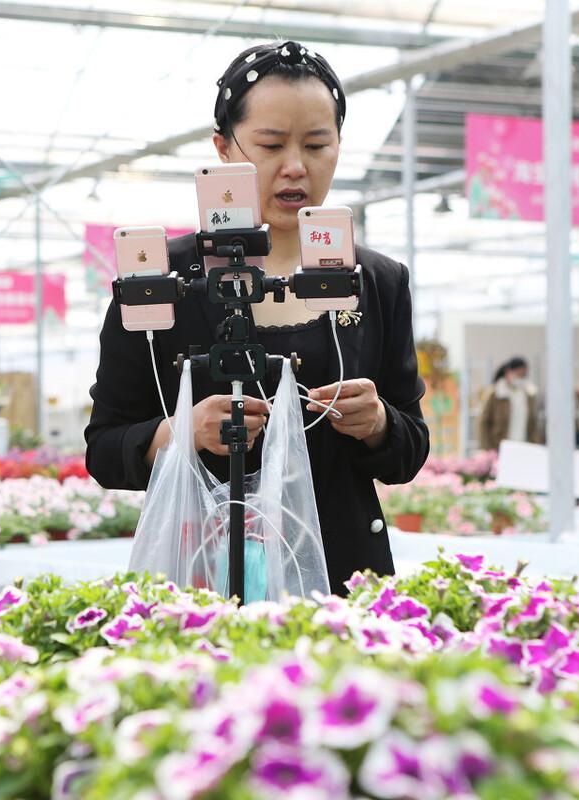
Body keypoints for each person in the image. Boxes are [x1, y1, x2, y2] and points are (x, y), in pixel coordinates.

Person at [84, 41, 429, 592]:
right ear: (223, 148)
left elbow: (409, 448)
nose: (295, 167)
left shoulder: (376, 281)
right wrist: (183, 431)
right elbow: (104, 449)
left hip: (341, 580)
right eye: (270, 145)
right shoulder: (161, 279)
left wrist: (379, 423)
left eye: (318, 144)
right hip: (201, 578)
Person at [479, 357, 541, 452]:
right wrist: (487, 447)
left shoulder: (528, 395)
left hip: (524, 446)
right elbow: (484, 422)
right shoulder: (495, 393)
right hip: (500, 447)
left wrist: (536, 444)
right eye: (518, 374)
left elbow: (533, 423)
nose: (521, 378)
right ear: (508, 373)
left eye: (523, 375)